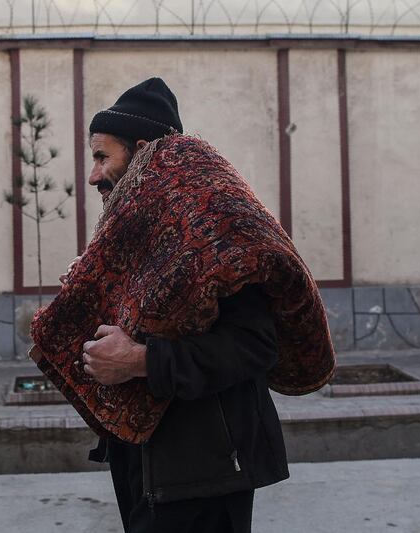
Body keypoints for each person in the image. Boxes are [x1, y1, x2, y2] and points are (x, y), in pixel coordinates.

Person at [71, 77, 290, 533]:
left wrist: (142, 360)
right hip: (142, 463)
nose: (92, 176)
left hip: (206, 471)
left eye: (101, 156)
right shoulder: (134, 235)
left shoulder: (216, 232)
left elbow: (255, 346)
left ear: (144, 151)